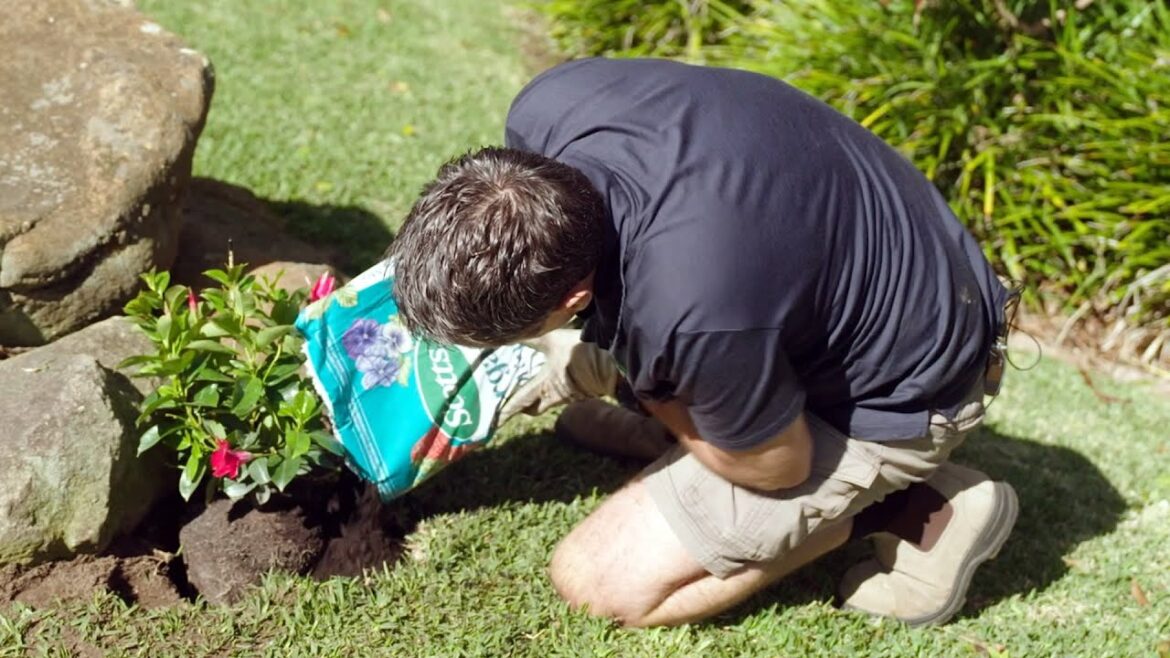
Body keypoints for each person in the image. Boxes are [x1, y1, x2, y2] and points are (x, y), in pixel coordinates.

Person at [389, 57, 1019, 628]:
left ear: (573, 300)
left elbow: (779, 466)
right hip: (829, 280)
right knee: (608, 361)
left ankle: (917, 508)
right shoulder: (549, 108)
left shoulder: (693, 308)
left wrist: (667, 401)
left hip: (903, 391)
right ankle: (696, 414)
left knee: (595, 580)